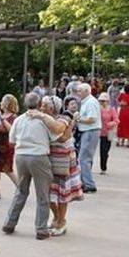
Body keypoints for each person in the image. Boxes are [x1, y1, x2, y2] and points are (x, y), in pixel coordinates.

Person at [2, 93, 66, 239]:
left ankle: (9, 223)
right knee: (42, 194)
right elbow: (59, 137)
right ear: (39, 105)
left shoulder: (19, 119)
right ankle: (41, 229)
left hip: (21, 157)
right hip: (39, 157)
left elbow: (11, 141)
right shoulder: (45, 119)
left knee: (21, 191)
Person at [45, 95, 83, 236]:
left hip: (64, 161)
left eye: (44, 105)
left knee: (62, 192)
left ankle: (61, 221)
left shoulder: (63, 119)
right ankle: (56, 217)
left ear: (52, 108)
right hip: (49, 160)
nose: (41, 107)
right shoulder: (44, 119)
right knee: (48, 192)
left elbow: (62, 137)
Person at [0, 94, 19, 199]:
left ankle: (20, 189)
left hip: (7, 145)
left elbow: (11, 130)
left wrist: (2, 119)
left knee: (8, 169)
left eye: (2, 101)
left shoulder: (13, 117)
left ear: (7, 103)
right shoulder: (1, 115)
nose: (0, 103)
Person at [75, 83, 100, 193]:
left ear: (86, 91)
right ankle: (84, 182)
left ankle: (89, 184)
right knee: (83, 158)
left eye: (80, 91)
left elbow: (92, 119)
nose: (78, 93)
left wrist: (79, 119)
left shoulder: (91, 102)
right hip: (87, 131)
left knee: (84, 158)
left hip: (90, 130)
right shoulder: (86, 102)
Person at [98, 93, 118, 175]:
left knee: (106, 150)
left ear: (107, 101)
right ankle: (103, 168)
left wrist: (111, 123)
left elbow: (116, 120)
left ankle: (104, 166)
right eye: (101, 101)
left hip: (110, 131)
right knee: (102, 150)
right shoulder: (98, 109)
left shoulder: (111, 109)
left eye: (104, 101)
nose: (102, 102)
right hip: (100, 132)